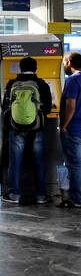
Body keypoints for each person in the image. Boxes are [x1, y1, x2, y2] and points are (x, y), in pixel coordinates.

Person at [1, 55, 53, 204]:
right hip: (37, 128)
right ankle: (41, 195)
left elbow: (6, 106)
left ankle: (14, 194)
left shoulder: (12, 83)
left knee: (15, 161)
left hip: (16, 128)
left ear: (21, 69)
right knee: (39, 160)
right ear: (36, 68)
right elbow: (48, 107)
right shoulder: (42, 84)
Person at [60, 51, 81, 208]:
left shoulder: (73, 80)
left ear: (69, 63)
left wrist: (64, 126)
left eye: (63, 62)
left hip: (74, 129)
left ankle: (76, 198)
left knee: (74, 165)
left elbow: (71, 105)